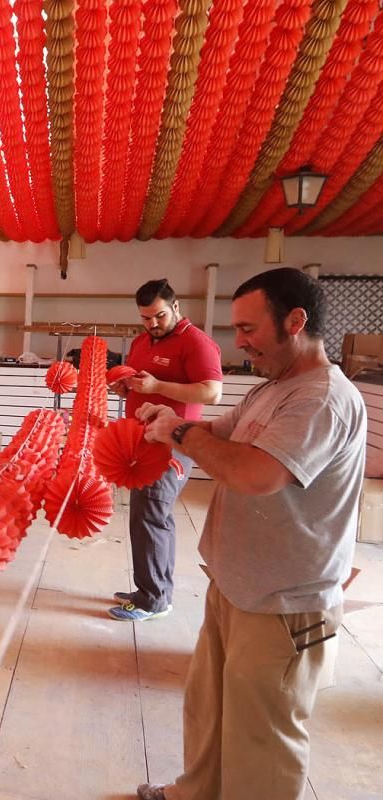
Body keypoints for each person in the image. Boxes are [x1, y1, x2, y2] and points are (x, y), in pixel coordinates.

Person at [135, 267, 366, 800]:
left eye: (248, 328)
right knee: (211, 708)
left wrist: (180, 432)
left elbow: (255, 474)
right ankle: (193, 792)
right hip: (238, 584)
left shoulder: (322, 397)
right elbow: (220, 430)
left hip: (285, 600)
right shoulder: (275, 389)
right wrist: (166, 419)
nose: (238, 341)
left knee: (262, 735)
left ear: (295, 321)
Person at [107, 279, 222, 621]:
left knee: (153, 515)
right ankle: (147, 587)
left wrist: (157, 386)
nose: (152, 324)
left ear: (175, 306)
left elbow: (211, 392)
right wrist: (125, 390)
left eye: (158, 316)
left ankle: (154, 599)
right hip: (142, 442)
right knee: (144, 516)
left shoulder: (197, 343)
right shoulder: (142, 342)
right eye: (145, 318)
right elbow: (143, 389)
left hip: (173, 445)